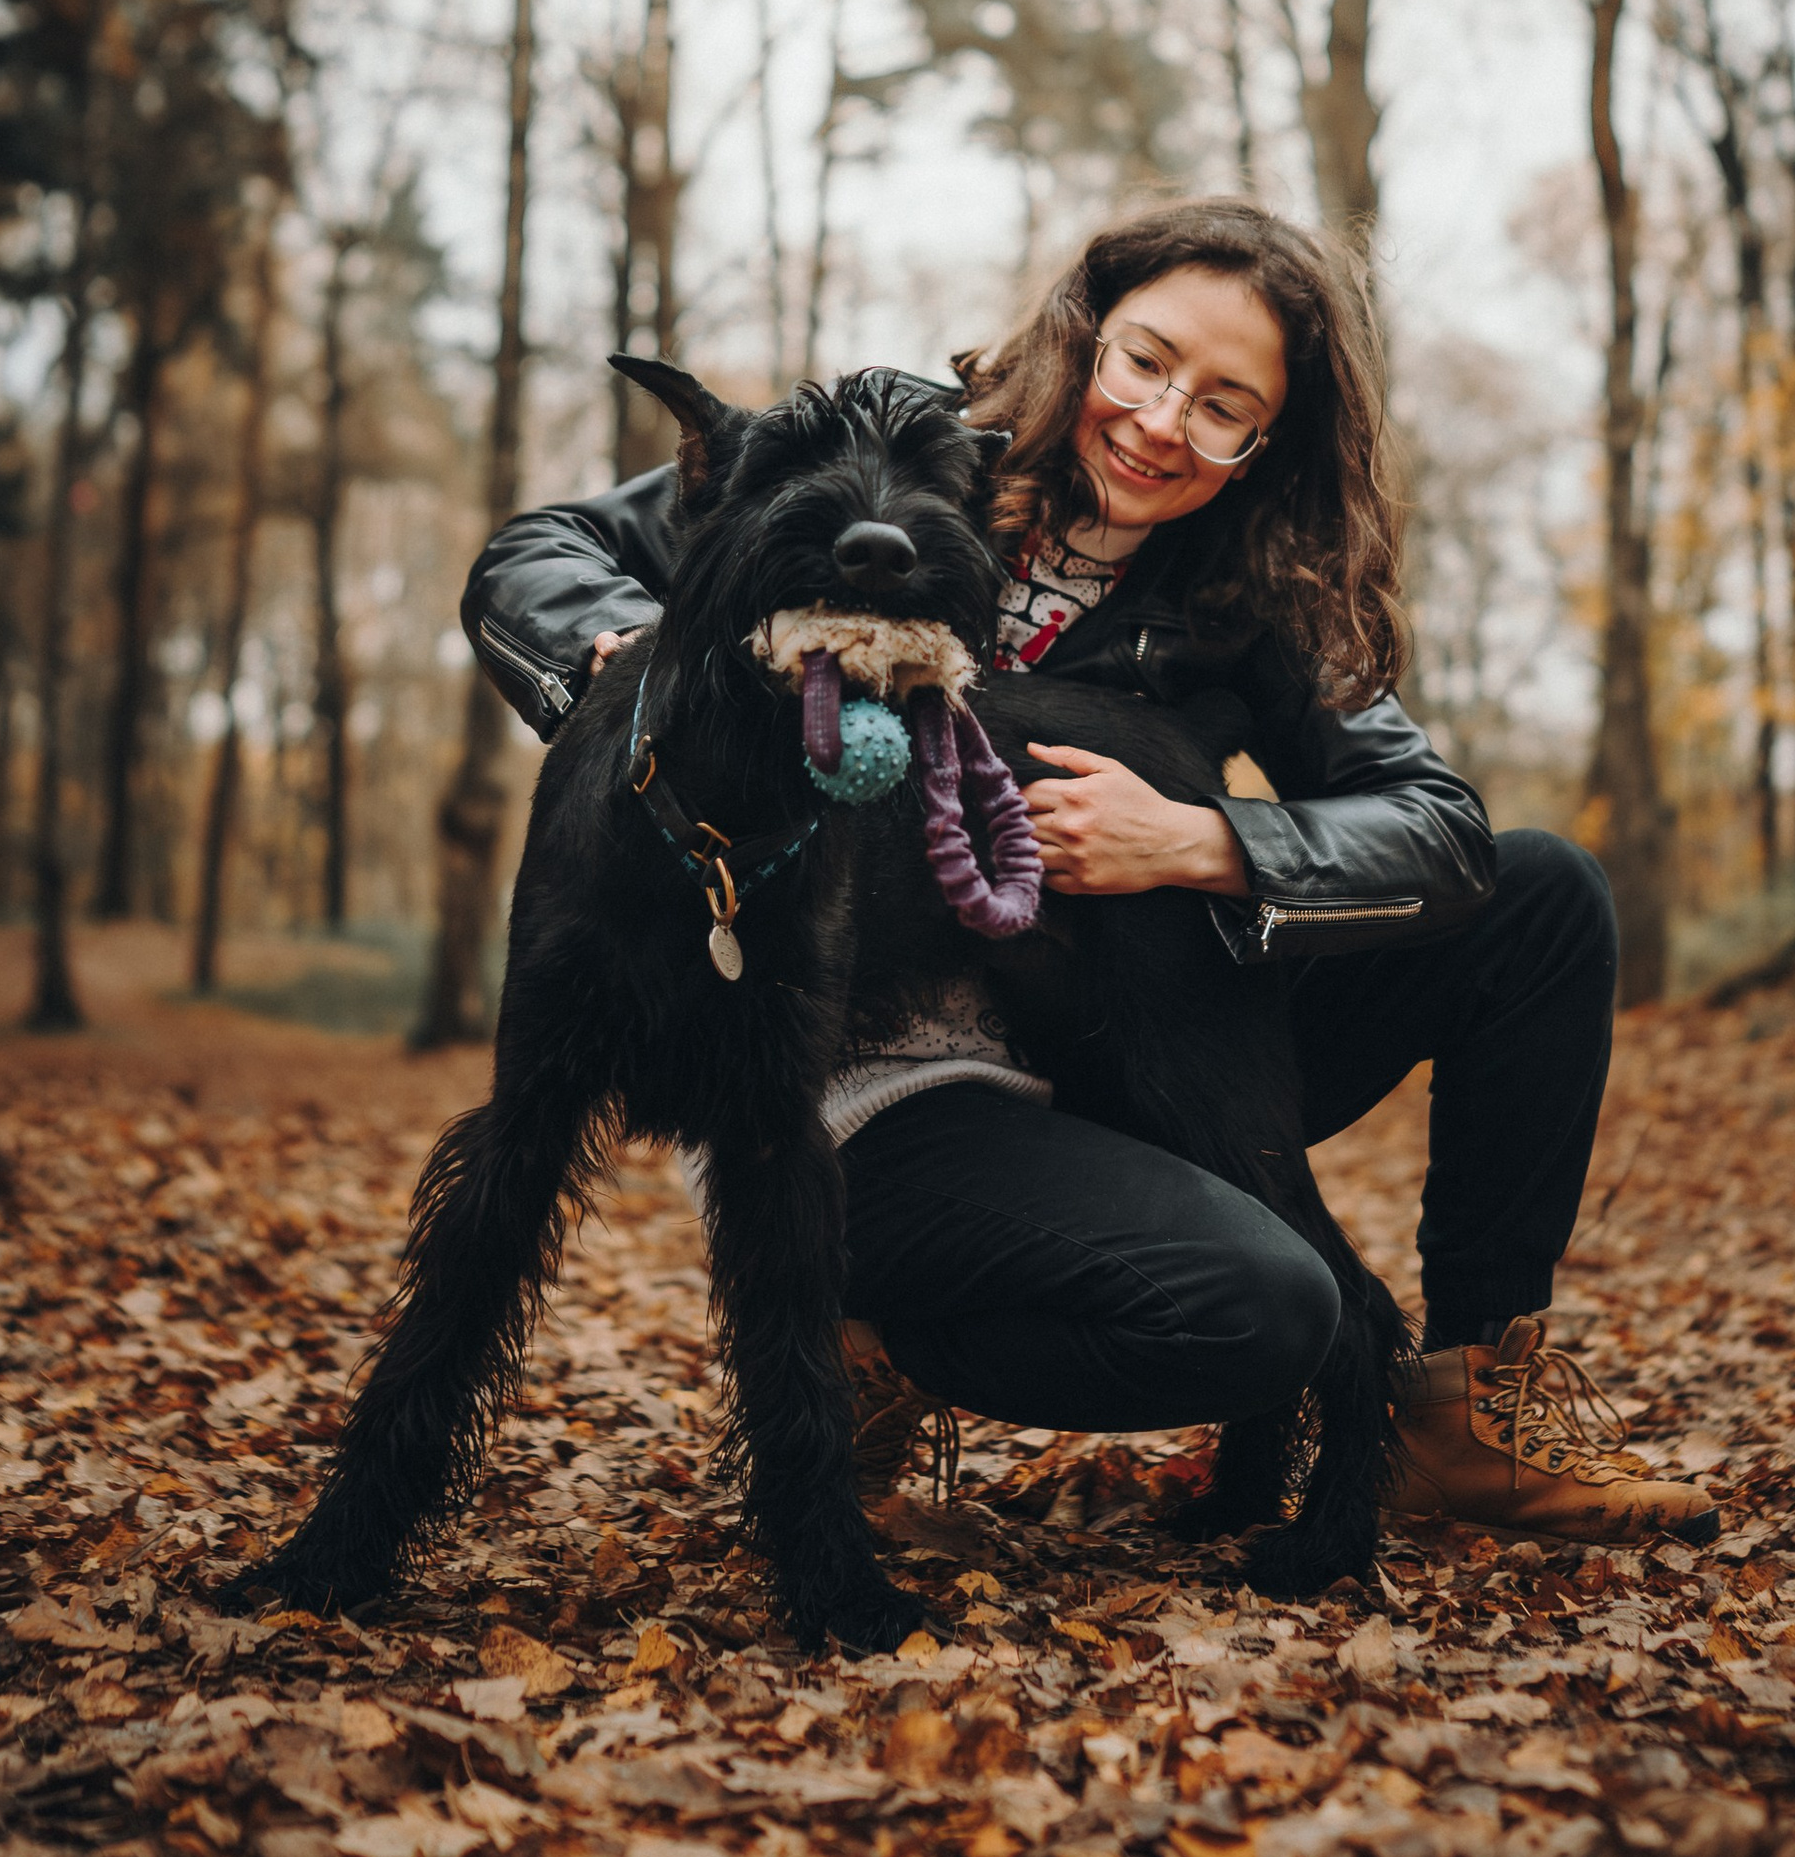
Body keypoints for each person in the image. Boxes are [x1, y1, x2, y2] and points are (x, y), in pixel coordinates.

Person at [463, 199, 1715, 1548]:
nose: (1164, 422)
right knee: (1261, 1310)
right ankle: (861, 1350)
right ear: (1085, 334)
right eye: (1148, 361)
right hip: (863, 1064)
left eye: (1225, 407)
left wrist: (1199, 843)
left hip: (1128, 1029)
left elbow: (1438, 829)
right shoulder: (898, 446)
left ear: (1267, 443)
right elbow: (537, 554)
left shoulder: (1256, 588)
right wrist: (627, 655)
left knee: (1539, 892)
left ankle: (1462, 1411)